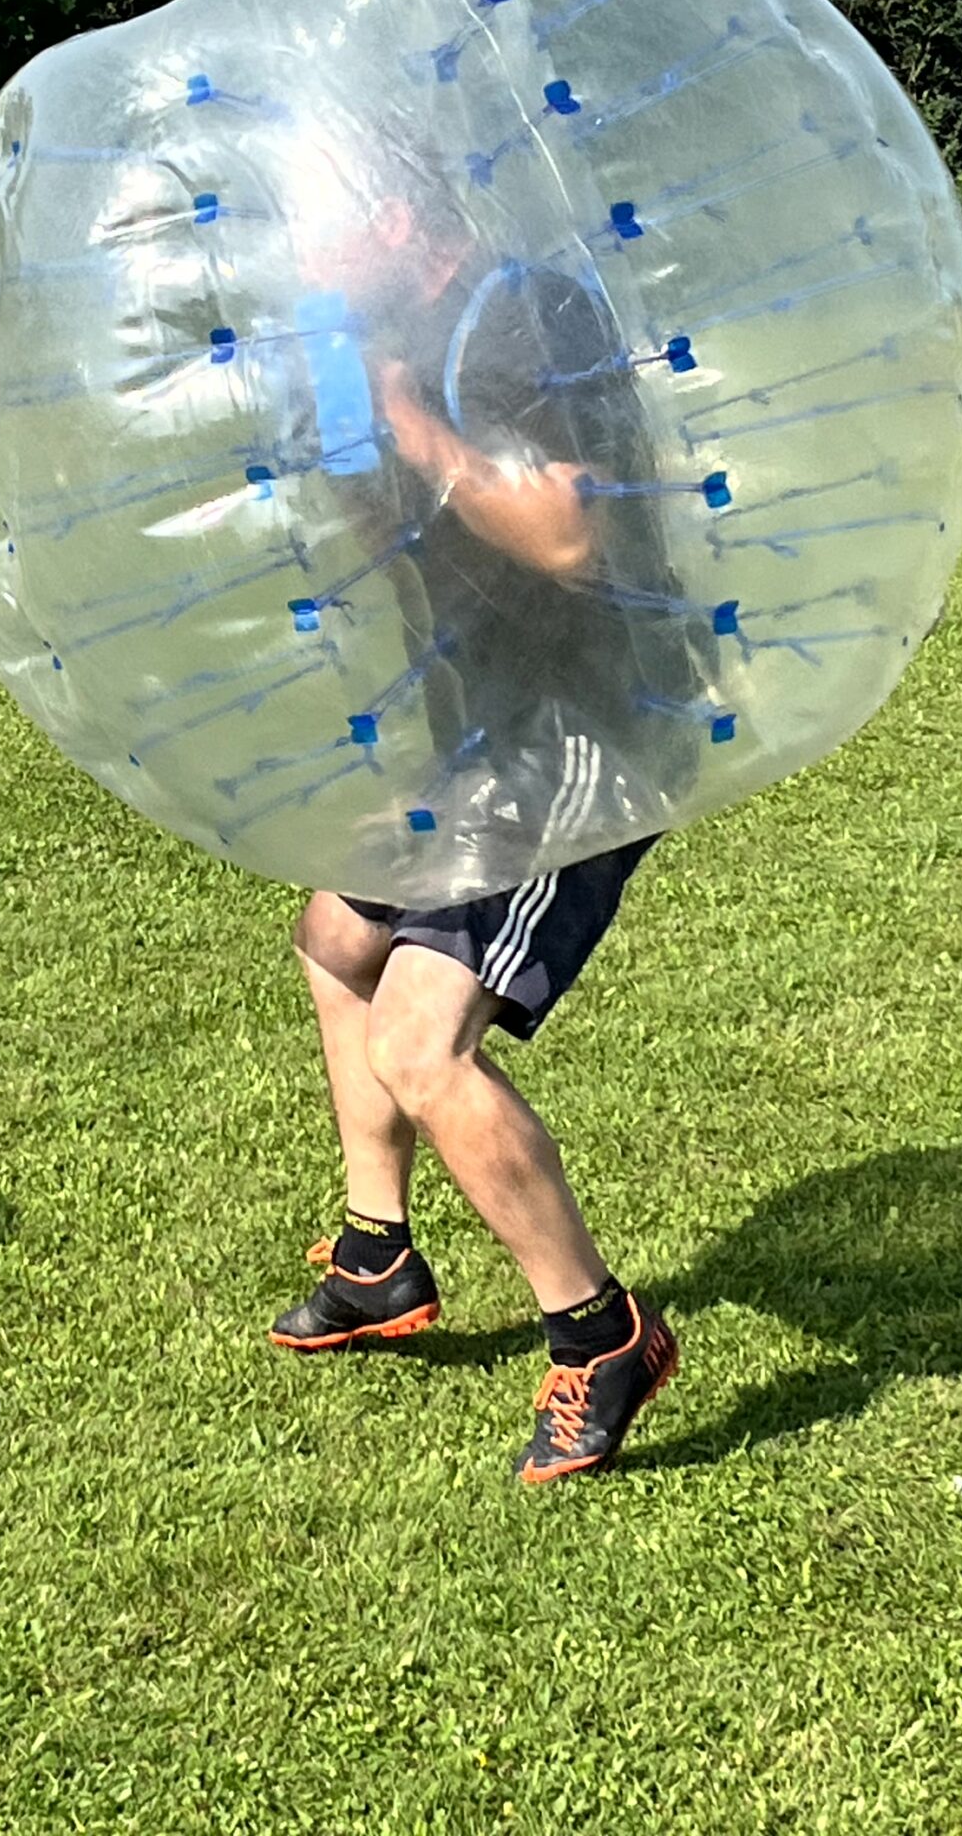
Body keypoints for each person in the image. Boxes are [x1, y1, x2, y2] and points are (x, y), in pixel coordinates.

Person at [268, 186, 700, 1482]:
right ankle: (376, 1253)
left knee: (417, 1041)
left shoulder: (518, 317)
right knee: (336, 935)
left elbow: (566, 533)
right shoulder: (379, 331)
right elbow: (396, 543)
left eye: (321, 213)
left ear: (392, 208)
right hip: (480, 726)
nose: (303, 244)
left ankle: (601, 1333)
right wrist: (351, 458)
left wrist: (403, 418)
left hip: (581, 730)